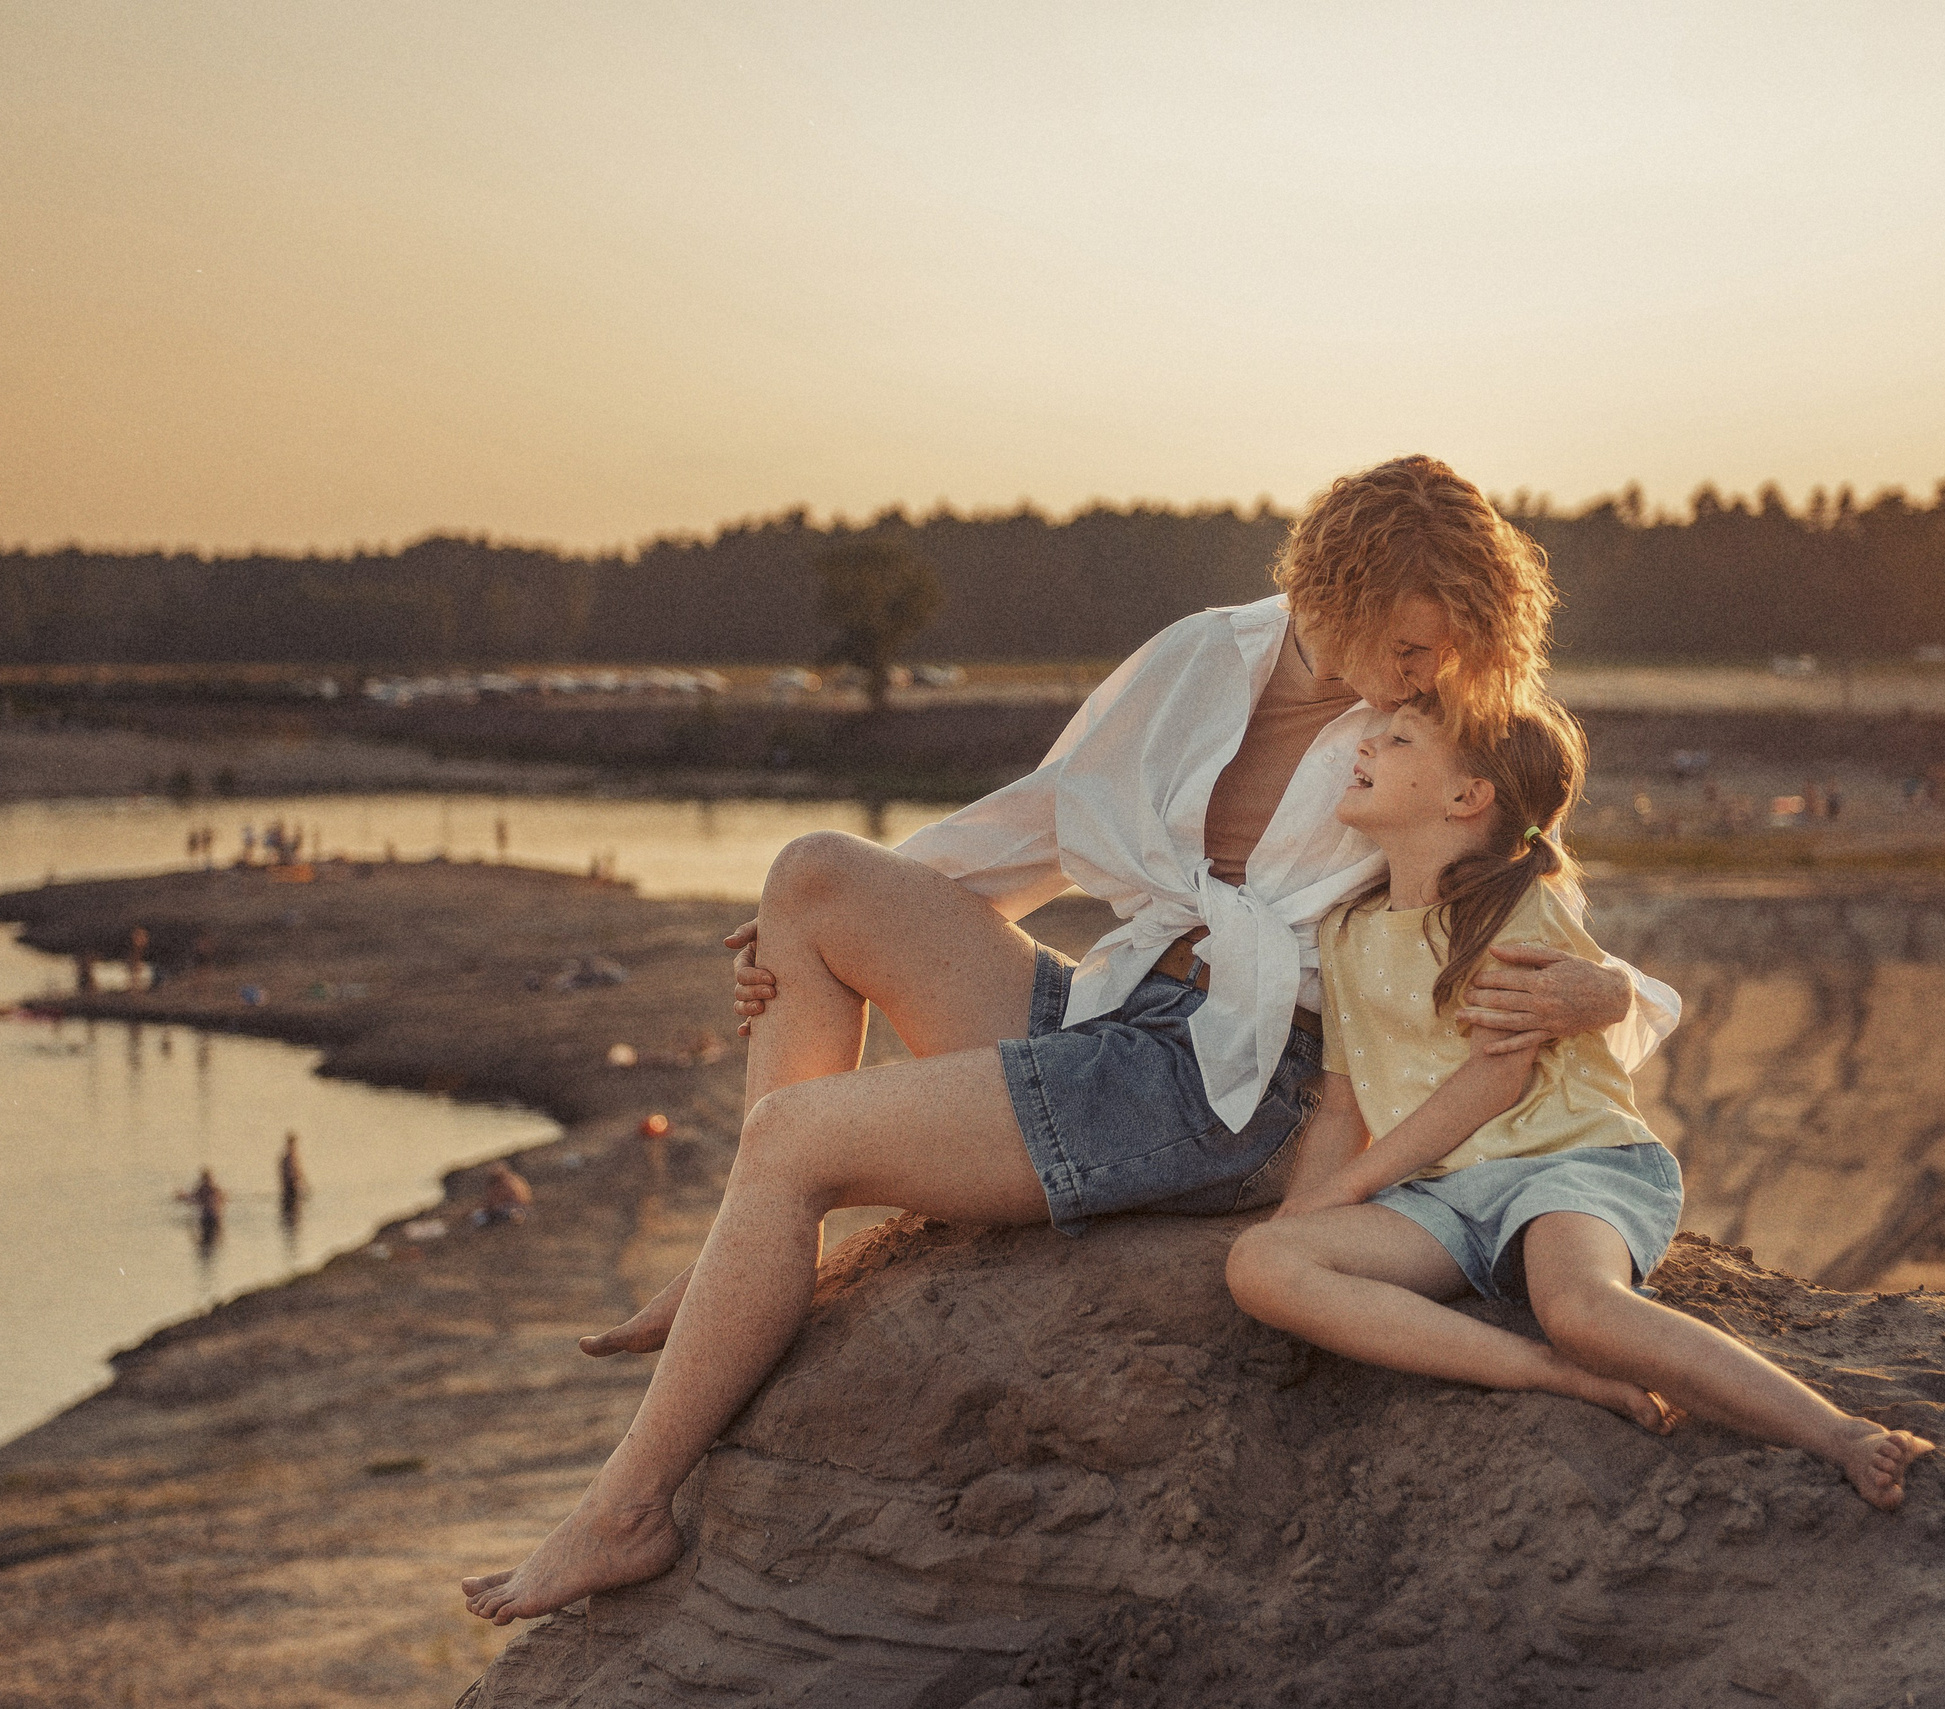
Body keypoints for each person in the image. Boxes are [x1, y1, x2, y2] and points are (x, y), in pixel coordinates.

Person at [461, 454, 1682, 1625]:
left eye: (1449, 649)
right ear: (1332, 592)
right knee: (814, 874)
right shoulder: (1203, 654)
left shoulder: (1441, 728)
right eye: (1412, 641)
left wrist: (1600, 993)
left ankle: (627, 1504)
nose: (1429, 672)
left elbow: (1538, 888)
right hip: (1113, 1006)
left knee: (796, 1136)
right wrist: (808, 935)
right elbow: (1046, 816)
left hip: (1230, 1078)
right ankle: (758, 1229)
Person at [1223, 694, 1932, 1510]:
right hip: (1444, 1197)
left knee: (1581, 1309)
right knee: (1261, 1263)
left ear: (1466, 798)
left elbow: (1496, 1081)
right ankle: (1539, 1371)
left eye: (1398, 738)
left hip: (1570, 1162)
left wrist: (1350, 1190)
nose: (1366, 747)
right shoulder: (1346, 931)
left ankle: (1840, 1432)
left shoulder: (1511, 911)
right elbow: (1343, 1104)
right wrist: (1305, 1215)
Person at [279, 1132, 309, 1220]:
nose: (295, 1146)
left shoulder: (285, 1158)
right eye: (293, 1143)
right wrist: (304, 1185)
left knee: (290, 1208)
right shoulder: (290, 1158)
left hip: (289, 1187)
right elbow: (296, 1173)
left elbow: (298, 1172)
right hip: (291, 1186)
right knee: (293, 1208)